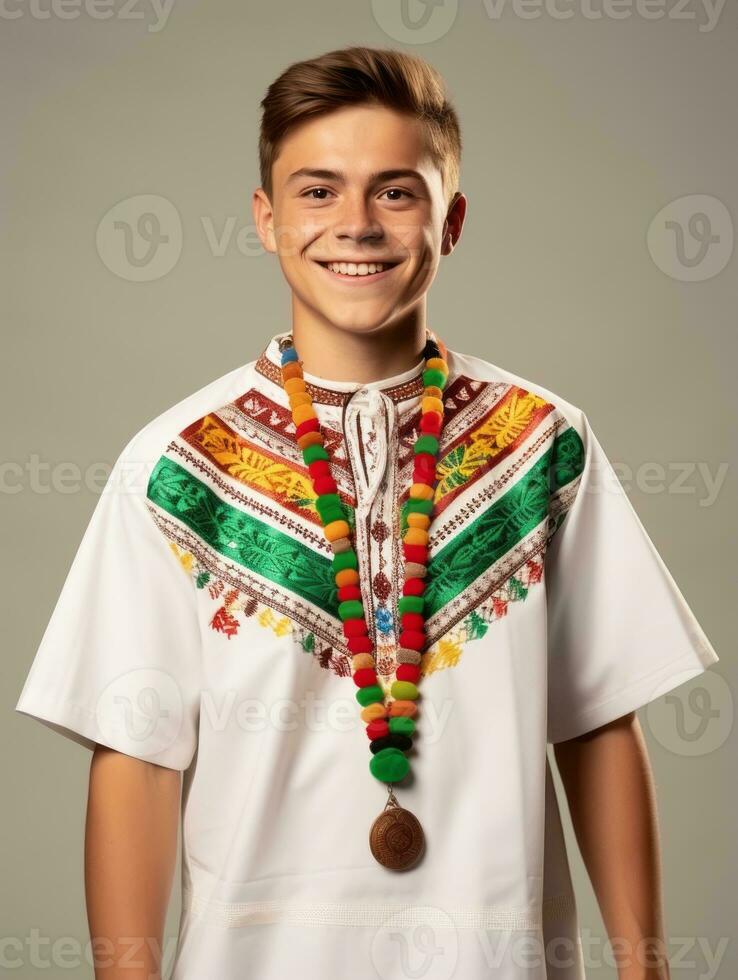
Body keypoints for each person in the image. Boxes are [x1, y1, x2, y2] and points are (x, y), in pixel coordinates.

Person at [15, 46, 719, 980]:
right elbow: (137, 757)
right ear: (265, 222)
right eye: (317, 192)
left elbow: (596, 724)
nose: (356, 225)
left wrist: (647, 967)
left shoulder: (542, 443)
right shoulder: (177, 465)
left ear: (451, 219)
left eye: (396, 192)